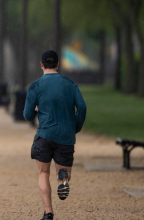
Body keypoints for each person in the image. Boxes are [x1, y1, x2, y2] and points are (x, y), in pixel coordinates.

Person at [23, 50, 87, 220]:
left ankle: (48, 212)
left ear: (41, 64)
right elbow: (82, 107)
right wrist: (76, 126)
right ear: (58, 64)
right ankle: (62, 179)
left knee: (43, 173)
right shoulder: (70, 85)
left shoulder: (35, 86)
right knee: (64, 171)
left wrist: (37, 109)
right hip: (66, 136)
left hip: (44, 135)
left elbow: (27, 115)